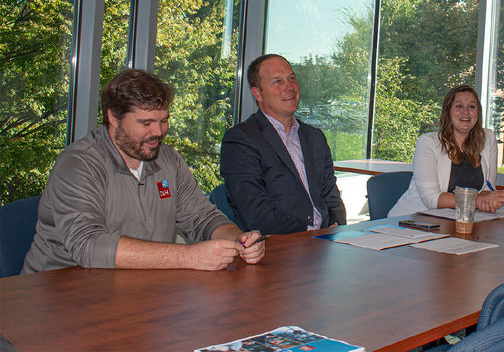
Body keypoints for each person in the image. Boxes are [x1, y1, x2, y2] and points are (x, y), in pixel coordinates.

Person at [23, 69, 265, 273]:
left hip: (138, 291)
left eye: (163, 120)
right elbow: (89, 245)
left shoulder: (168, 159)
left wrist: (237, 239)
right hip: (60, 296)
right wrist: (187, 257)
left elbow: (203, 218)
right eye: (146, 123)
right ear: (114, 118)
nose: (159, 131)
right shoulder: (79, 163)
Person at [220, 54, 346, 234]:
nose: (289, 87)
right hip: (278, 247)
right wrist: (310, 232)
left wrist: (337, 227)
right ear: (258, 93)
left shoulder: (315, 137)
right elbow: (255, 213)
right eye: (278, 81)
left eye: (292, 78)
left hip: (325, 244)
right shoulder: (241, 140)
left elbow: (331, 196)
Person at [388, 85, 504, 217]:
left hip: (458, 219)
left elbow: (486, 188)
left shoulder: (487, 138)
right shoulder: (428, 143)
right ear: (448, 111)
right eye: (459, 106)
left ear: (477, 112)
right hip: (415, 221)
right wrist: (478, 201)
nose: (466, 112)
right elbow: (432, 199)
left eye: (472, 107)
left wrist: (489, 198)